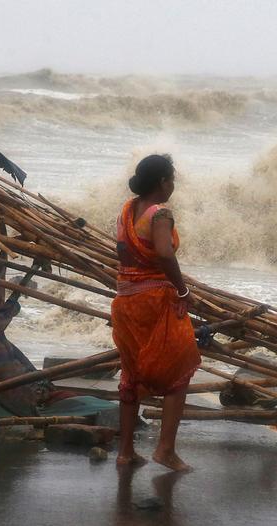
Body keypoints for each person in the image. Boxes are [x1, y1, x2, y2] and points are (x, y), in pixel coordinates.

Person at [111, 154, 201, 471]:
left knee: (131, 373)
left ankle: (125, 452)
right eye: (171, 179)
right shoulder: (160, 214)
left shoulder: (126, 210)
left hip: (125, 301)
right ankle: (165, 450)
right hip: (155, 301)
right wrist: (182, 289)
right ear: (163, 182)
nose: (173, 185)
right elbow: (163, 253)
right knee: (180, 366)